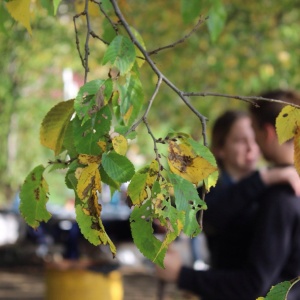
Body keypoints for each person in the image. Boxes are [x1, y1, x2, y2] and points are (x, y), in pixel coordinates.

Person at [156, 96, 300, 299]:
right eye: (241, 141)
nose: (252, 147)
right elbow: (210, 215)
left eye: (254, 138)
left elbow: (256, 282)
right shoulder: (210, 192)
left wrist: (185, 276)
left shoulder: (278, 192)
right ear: (220, 149)